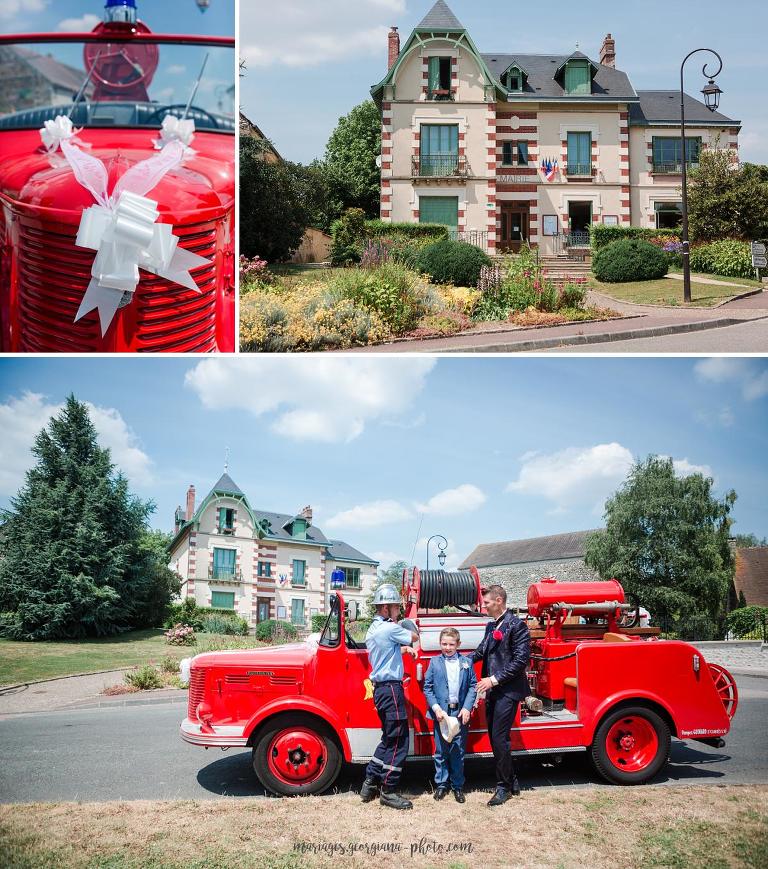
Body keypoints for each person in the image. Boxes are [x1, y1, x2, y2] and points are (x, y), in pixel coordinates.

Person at [360, 583, 419, 810]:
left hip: (381, 689)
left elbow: (388, 651)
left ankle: (369, 782)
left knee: (388, 737)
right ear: (386, 608)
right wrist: (407, 622)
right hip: (392, 689)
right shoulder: (390, 628)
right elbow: (413, 635)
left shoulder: (374, 630)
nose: (398, 611)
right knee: (399, 740)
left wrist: (403, 650)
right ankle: (389, 789)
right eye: (396, 607)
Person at [472, 584, 531, 806]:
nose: (484, 606)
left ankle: (503, 787)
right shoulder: (490, 626)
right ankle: (512, 780)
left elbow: (520, 661)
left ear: (499, 601)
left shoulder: (518, 626)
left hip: (508, 690)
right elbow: (481, 652)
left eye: (486, 602)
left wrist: (493, 680)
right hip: (494, 690)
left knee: (499, 738)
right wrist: (458, 660)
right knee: (497, 738)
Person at [423, 627, 477, 803]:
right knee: (441, 750)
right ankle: (441, 784)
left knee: (458, 750)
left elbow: (472, 686)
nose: (447, 647)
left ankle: (458, 786)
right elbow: (428, 687)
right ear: (440, 643)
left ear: (458, 644)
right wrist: (436, 708)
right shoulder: (434, 662)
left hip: (459, 712)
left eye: (451, 644)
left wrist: (467, 707)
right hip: (442, 713)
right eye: (444, 644)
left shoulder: (466, 662)